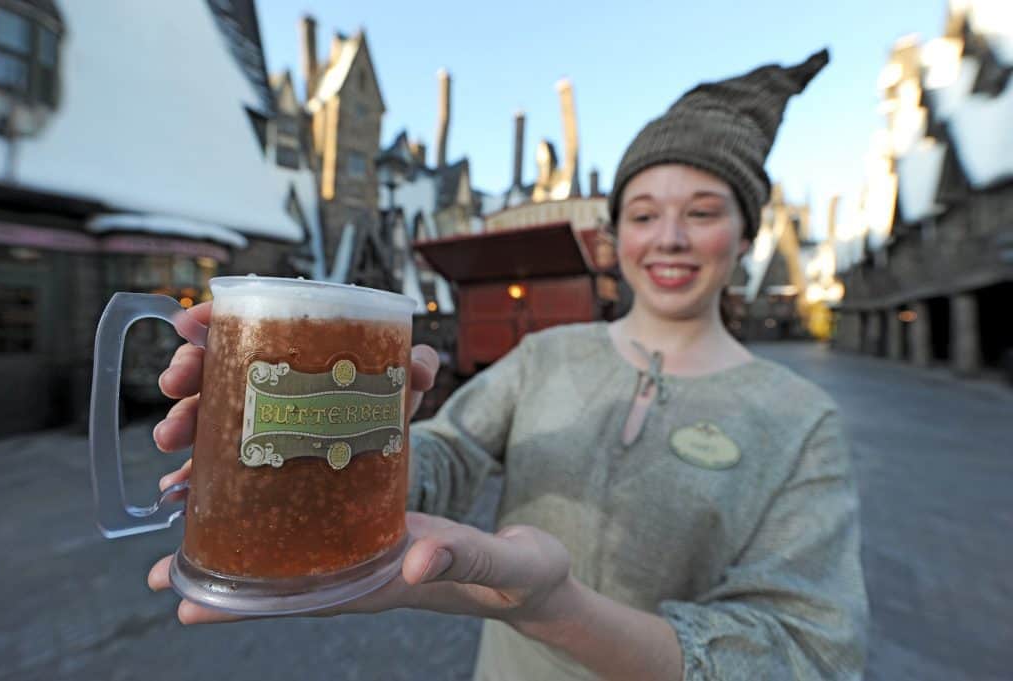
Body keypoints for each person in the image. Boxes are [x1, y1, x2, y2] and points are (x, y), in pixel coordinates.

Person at [149, 48, 868, 680]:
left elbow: (810, 653)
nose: (670, 238)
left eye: (705, 211)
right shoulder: (548, 355)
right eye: (644, 213)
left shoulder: (799, 419)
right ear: (615, 234)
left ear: (746, 234)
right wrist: (345, 454)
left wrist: (558, 610)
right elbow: (450, 451)